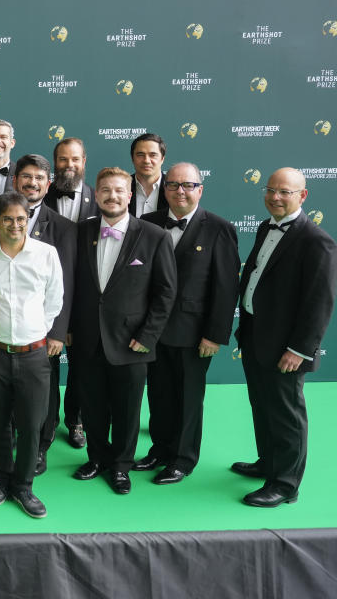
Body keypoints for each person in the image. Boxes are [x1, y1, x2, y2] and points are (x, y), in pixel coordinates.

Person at [69, 167, 177, 495]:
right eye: (105, 190)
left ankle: (121, 466)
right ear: (96, 194)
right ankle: (97, 458)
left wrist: (147, 337)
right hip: (87, 339)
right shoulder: (79, 230)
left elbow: (166, 292)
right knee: (92, 405)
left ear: (130, 196)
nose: (112, 196)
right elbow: (69, 286)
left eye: (119, 190)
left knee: (128, 409)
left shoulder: (154, 236)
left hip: (132, 342)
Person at [233, 167, 337, 507]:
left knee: (287, 414)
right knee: (262, 405)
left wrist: (299, 350)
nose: (275, 197)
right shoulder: (266, 227)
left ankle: (285, 484)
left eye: (285, 192)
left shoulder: (317, 242)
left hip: (286, 348)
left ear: (302, 196)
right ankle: (268, 462)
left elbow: (319, 303)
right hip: (256, 337)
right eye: (271, 190)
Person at [135, 163, 240, 485]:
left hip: (194, 333)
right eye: (174, 185)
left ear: (200, 190)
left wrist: (214, 335)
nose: (180, 191)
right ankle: (160, 449)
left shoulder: (219, 228)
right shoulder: (147, 223)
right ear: (164, 188)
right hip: (152, 331)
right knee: (159, 394)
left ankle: (183, 459)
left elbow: (225, 288)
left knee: (188, 399)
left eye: (188, 185)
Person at [0, 192, 63, 518]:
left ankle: (24, 487)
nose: (14, 225)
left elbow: (54, 301)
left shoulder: (47, 255)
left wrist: (30, 332)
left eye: (21, 219)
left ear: (28, 220)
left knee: (31, 424)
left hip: (34, 356)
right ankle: (3, 480)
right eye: (7, 219)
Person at [11, 155, 77, 475]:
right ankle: (14, 436)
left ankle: (40, 445)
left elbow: (66, 285)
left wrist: (57, 332)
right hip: (7, 326)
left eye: (39, 178)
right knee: (11, 384)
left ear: (48, 184)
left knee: (44, 389)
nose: (32, 183)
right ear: (15, 181)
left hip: (44, 327)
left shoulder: (63, 228)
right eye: (26, 177)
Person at [43, 137, 98, 449]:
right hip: (46, 298)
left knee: (81, 366)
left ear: (84, 161)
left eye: (74, 159)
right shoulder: (39, 197)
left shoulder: (99, 198)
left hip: (86, 299)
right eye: (63, 160)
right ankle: (45, 423)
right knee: (46, 366)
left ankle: (75, 420)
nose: (69, 165)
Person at [128, 133, 168, 217]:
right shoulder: (122, 187)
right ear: (132, 159)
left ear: (162, 159)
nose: (146, 160)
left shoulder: (174, 189)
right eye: (140, 155)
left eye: (153, 155)